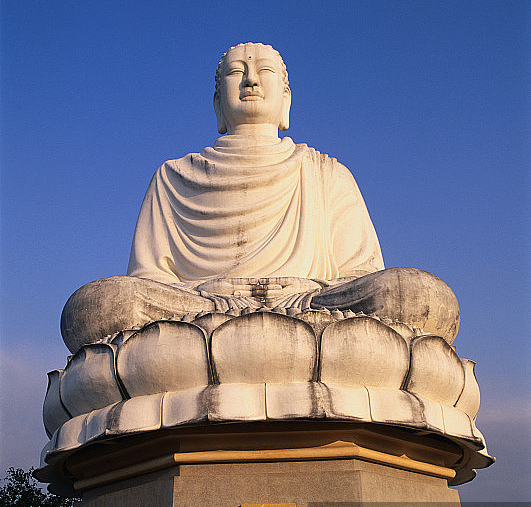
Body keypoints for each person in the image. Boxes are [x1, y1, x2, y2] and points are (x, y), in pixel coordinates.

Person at [60, 42, 459, 354]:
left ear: (285, 100)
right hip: (197, 310)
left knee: (414, 294)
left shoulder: (325, 173)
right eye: (237, 73)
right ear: (219, 104)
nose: (251, 81)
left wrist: (310, 299)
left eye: (264, 72)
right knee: (102, 305)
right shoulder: (173, 177)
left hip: (313, 306)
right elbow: (150, 281)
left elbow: (358, 277)